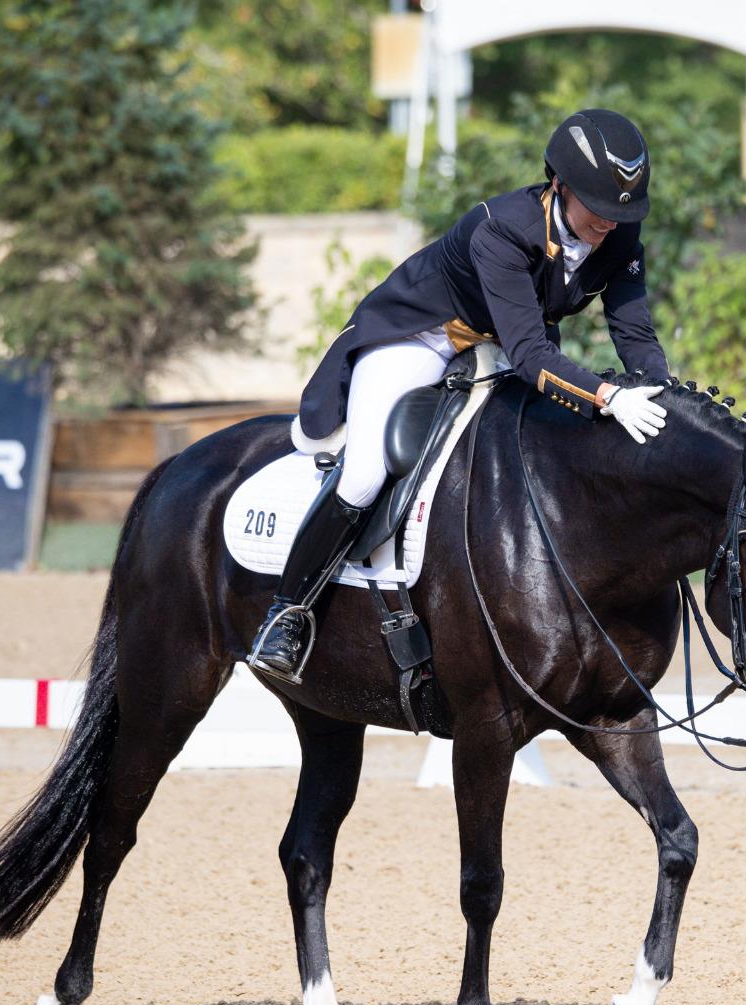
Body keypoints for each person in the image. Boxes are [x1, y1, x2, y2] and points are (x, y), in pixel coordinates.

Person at [249, 109, 674, 680]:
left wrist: (660, 393)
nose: (609, 223)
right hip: (420, 337)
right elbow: (531, 357)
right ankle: (288, 612)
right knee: (366, 472)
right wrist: (608, 397)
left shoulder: (619, 231)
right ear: (559, 186)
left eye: (621, 211)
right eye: (598, 208)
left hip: (496, 347)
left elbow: (634, 331)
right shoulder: (502, 228)